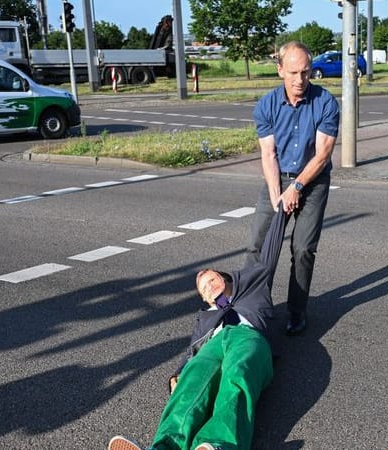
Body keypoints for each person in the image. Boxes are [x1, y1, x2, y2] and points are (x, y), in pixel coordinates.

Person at [108, 205, 289, 450]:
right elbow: (191, 351)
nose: (209, 286)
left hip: (250, 337)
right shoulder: (205, 318)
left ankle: (219, 444)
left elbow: (270, 250)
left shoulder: (252, 286)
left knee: (236, 377)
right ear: (205, 300)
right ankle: (163, 447)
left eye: (211, 279)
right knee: (191, 384)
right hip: (215, 342)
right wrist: (177, 374)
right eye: (204, 288)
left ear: (225, 278)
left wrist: (282, 212)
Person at [247, 41, 340, 336]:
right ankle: (252, 309)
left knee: (303, 249)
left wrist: (297, 186)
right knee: (259, 246)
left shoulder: (326, 103)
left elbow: (322, 155)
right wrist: (277, 193)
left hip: (313, 181)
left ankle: (296, 311)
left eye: (305, 72)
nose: (300, 80)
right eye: (293, 73)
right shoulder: (267, 105)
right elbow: (268, 154)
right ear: (280, 71)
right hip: (279, 177)